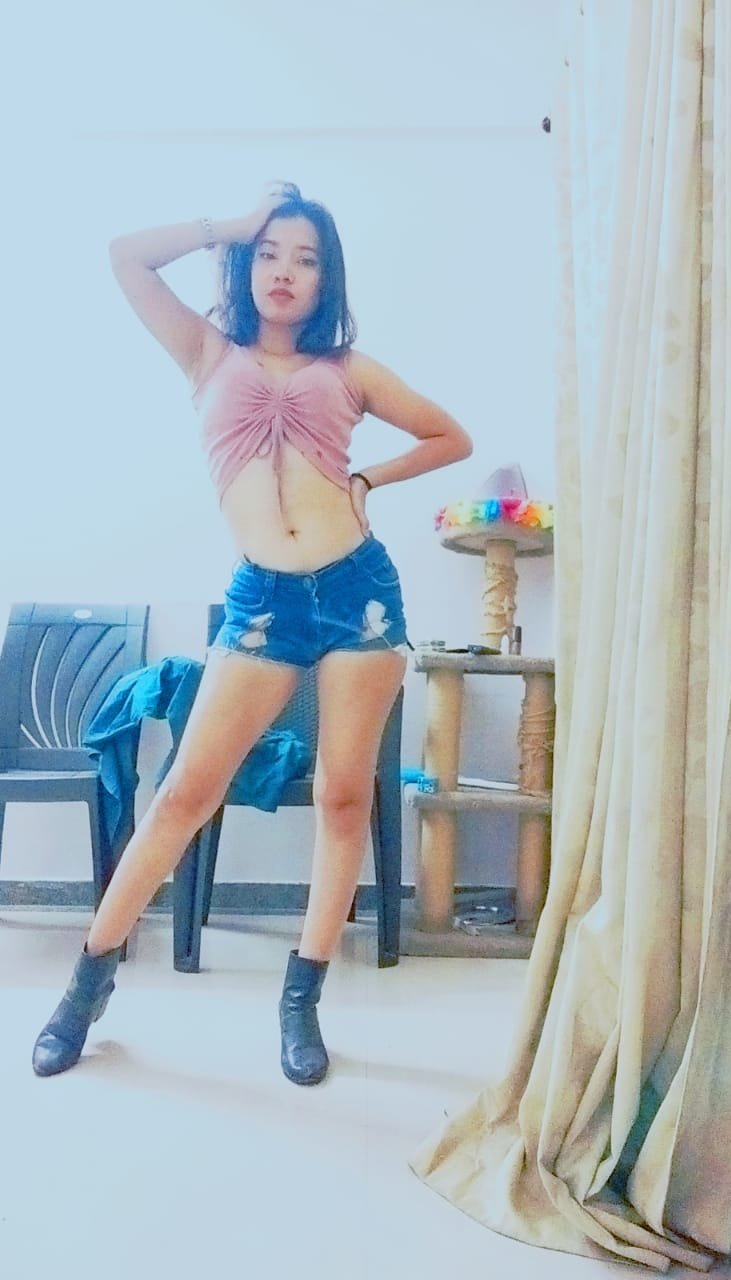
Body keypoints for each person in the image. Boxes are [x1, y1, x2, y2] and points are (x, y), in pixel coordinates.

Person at [32, 182, 472, 1085]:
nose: (284, 271)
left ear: (325, 278)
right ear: (245, 264)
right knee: (184, 794)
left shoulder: (349, 369)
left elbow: (448, 437)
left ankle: (301, 1001)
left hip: (360, 596)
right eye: (269, 254)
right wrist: (230, 224)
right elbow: (125, 255)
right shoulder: (206, 351)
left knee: (343, 796)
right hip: (263, 601)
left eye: (305, 259)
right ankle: (85, 987)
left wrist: (369, 480)